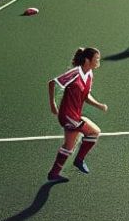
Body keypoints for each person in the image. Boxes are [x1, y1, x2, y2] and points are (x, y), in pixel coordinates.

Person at [46, 47, 108, 183]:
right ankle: (79, 160)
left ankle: (53, 174)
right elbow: (52, 83)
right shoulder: (75, 73)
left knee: (68, 146)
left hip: (74, 115)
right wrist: (53, 105)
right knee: (94, 132)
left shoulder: (90, 74)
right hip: (68, 115)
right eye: (96, 58)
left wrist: (98, 105)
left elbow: (86, 96)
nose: (98, 61)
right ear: (87, 60)